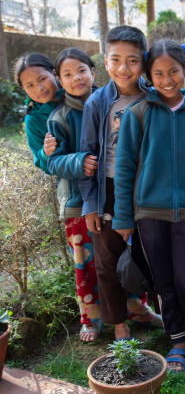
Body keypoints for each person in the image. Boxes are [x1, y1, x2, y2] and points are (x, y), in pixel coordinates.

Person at [112, 40, 185, 371]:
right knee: (163, 282)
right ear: (148, 74)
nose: (167, 79)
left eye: (174, 71)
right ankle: (177, 339)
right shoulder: (138, 113)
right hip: (149, 215)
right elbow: (125, 170)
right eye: (159, 73)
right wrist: (123, 217)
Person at [79, 26, 161, 342]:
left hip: (148, 188)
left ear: (144, 62)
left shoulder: (154, 97)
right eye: (115, 59)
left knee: (155, 252)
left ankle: (166, 313)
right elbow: (88, 156)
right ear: (105, 60)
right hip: (108, 190)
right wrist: (91, 205)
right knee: (107, 258)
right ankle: (118, 324)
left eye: (132, 61)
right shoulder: (97, 103)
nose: (123, 68)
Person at [46, 48, 102, 342]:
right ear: (58, 79)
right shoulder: (60, 117)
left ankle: (135, 307)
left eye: (81, 70)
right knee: (85, 264)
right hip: (77, 205)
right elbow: (53, 162)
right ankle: (89, 319)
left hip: (112, 200)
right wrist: (79, 162)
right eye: (67, 74)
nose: (76, 78)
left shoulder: (110, 103)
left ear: (94, 70)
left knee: (121, 257)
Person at [14, 53, 62, 174]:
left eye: (42, 79)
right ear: (23, 88)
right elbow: (44, 166)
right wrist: (46, 153)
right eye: (30, 85)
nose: (39, 88)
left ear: (54, 74)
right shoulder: (33, 119)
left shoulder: (76, 95)